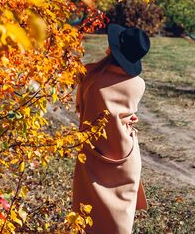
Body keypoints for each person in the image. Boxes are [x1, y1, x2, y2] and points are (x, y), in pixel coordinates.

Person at [72, 24, 150, 234]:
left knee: (87, 220)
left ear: (111, 49)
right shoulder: (138, 84)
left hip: (92, 156)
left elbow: (81, 107)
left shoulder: (89, 75)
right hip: (125, 155)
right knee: (120, 222)